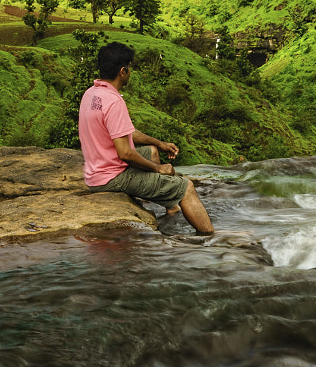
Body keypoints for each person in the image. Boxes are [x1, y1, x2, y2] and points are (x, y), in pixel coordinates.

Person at [78, 41, 217, 236]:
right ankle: (210, 239)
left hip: (96, 170)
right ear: (123, 71)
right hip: (111, 177)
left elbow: (124, 132)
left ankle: (171, 207)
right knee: (186, 187)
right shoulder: (114, 101)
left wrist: (158, 143)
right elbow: (125, 153)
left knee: (151, 151)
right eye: (129, 68)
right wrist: (158, 169)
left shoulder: (91, 94)